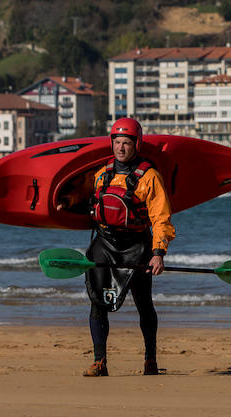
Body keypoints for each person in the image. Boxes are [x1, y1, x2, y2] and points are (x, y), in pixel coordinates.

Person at [70, 117, 175, 377]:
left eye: (126, 143)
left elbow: (161, 218)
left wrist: (158, 253)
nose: (121, 148)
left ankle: (150, 360)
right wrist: (68, 203)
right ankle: (99, 362)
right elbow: (88, 199)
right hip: (104, 243)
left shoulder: (149, 177)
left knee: (143, 302)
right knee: (97, 301)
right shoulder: (102, 174)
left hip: (136, 246)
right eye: (117, 142)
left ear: (136, 144)